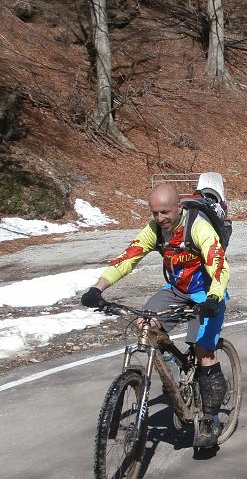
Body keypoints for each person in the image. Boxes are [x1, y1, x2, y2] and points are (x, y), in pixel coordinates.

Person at [81, 183, 230, 448]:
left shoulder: (198, 228)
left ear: (178, 207)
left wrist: (214, 298)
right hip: (176, 289)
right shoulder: (155, 230)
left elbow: (218, 264)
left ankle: (210, 419)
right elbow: (128, 258)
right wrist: (98, 288)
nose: (160, 218)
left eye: (165, 212)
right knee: (144, 324)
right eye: (154, 213)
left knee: (203, 350)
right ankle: (173, 370)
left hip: (207, 293)